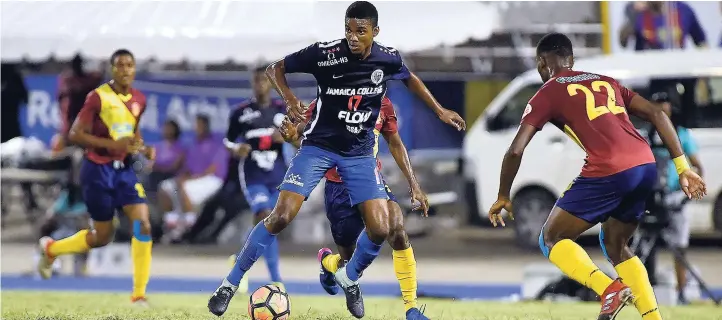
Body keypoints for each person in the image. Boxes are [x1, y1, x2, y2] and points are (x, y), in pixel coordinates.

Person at [207, 1, 465, 318]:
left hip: (358, 157)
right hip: (319, 149)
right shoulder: (326, 54)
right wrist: (289, 99)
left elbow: (409, 78)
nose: (353, 37)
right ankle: (228, 286)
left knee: (383, 228)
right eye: (348, 30)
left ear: (375, 32)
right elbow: (275, 69)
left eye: (360, 31)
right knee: (281, 217)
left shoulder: (387, 59)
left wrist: (440, 111)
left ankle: (349, 278)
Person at [487, 33, 706, 320]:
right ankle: (653, 318)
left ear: (542, 63)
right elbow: (656, 113)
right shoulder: (606, 81)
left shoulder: (548, 92)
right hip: (645, 166)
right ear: (572, 60)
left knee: (551, 238)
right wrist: (683, 167)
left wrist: (503, 195)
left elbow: (515, 150)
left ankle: (608, 289)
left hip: (609, 168)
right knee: (616, 243)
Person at [280, 96, 430, 320]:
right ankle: (328, 263)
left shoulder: (383, 103)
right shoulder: (327, 98)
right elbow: (305, 141)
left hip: (371, 181)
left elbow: (395, 142)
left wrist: (414, 185)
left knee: (397, 229)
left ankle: (412, 309)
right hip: (339, 189)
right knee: (349, 261)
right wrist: (293, 140)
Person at [37, 49, 156, 305]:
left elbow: (132, 134)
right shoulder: (98, 97)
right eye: (120, 65)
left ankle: (138, 295)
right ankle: (51, 249)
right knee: (102, 236)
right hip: (96, 170)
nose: (125, 70)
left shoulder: (139, 99)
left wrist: (142, 147)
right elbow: (75, 134)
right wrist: (111, 144)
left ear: (134, 69)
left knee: (143, 224)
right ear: (112, 69)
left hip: (123, 170)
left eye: (129, 65)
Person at [223, 66, 288, 291]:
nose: (260, 84)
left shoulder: (282, 110)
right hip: (253, 174)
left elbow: (299, 136)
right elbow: (228, 140)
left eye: (264, 80)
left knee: (271, 224)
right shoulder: (241, 112)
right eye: (256, 80)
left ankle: (239, 260)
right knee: (265, 216)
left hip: (279, 175)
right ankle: (276, 279)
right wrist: (236, 148)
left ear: (271, 83)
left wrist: (289, 136)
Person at [642, 92, 703, 305]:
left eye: (663, 104)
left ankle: (681, 292)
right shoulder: (646, 134)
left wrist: (687, 195)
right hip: (651, 198)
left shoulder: (682, 134)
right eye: (655, 104)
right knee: (643, 247)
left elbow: (697, 166)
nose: (660, 108)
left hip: (675, 197)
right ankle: (644, 291)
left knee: (679, 247)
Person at [158, 114, 226, 242]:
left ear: (205, 126)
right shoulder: (193, 144)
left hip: (213, 179)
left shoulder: (216, 144)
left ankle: (190, 228)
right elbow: (188, 168)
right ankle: (172, 222)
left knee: (184, 187)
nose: (195, 127)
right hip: (194, 179)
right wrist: (184, 177)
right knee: (165, 187)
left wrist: (190, 179)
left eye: (198, 125)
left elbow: (211, 169)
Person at [619, 1, 707, 51]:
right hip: (647, 75)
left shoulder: (684, 10)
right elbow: (623, 42)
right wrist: (633, 15)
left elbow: (701, 43)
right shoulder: (638, 10)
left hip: (677, 72)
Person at [147, 120, 184, 193]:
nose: (167, 130)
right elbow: (150, 164)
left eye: (170, 128)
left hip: (171, 175)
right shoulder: (158, 147)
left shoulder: (180, 147)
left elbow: (175, 166)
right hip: (156, 175)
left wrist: (163, 169)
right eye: (166, 128)